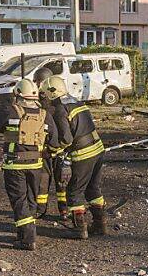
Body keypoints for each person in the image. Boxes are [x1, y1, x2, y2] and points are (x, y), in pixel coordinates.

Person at [0, 78, 59, 250]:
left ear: (17, 94)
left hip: (15, 166)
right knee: (30, 200)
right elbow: (55, 141)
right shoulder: (45, 115)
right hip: (36, 165)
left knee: (19, 201)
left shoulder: (10, 111)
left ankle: (28, 239)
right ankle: (24, 234)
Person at [39, 75, 107, 239]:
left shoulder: (59, 109)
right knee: (93, 189)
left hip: (83, 154)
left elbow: (66, 139)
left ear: (51, 93)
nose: (43, 98)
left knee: (74, 193)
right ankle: (100, 224)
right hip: (98, 149)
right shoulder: (77, 102)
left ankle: (79, 229)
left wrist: (51, 150)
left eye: (44, 95)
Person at [32, 67, 68, 218]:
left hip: (54, 149)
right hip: (49, 148)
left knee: (60, 182)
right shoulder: (53, 99)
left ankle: (59, 209)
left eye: (38, 81)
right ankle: (52, 209)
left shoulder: (50, 102)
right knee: (45, 181)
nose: (36, 84)